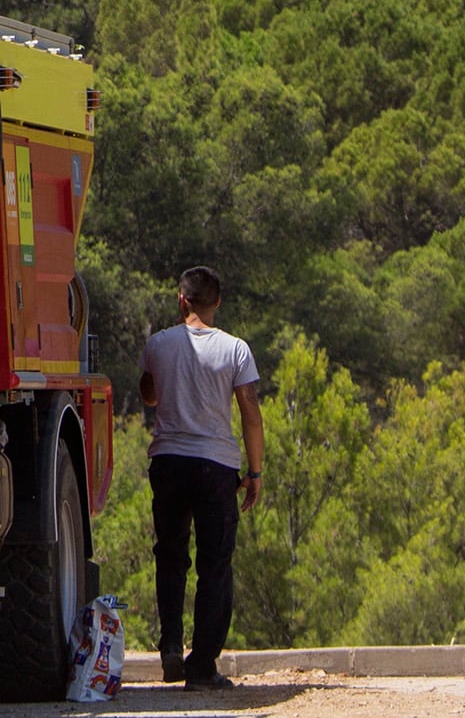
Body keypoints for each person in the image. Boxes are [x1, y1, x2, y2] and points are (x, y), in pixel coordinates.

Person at [139, 264, 265, 687]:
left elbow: (149, 393)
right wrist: (255, 471)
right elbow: (250, 413)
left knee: (171, 556)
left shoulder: (159, 344)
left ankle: (171, 646)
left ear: (181, 300)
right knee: (215, 566)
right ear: (218, 304)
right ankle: (202, 665)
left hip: (170, 461)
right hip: (216, 466)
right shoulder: (236, 350)